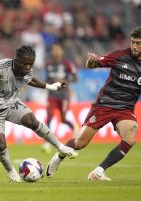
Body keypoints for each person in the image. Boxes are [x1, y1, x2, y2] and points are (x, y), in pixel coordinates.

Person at [0, 45, 78, 182]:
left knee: (32, 121)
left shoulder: (27, 71)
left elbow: (32, 80)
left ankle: (61, 147)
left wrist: (52, 86)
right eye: (24, 63)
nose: (27, 67)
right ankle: (10, 171)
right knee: (0, 144)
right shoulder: (1, 66)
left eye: (30, 64)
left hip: (11, 104)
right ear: (16, 60)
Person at [46, 26, 141, 181]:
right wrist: (92, 61)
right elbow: (94, 65)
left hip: (125, 109)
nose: (134, 46)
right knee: (80, 142)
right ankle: (60, 155)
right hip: (105, 104)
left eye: (138, 43)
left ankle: (98, 172)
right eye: (133, 42)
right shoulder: (120, 56)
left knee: (130, 138)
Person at [42, 43, 78, 153]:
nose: (56, 54)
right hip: (52, 94)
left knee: (63, 119)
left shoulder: (67, 64)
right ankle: (47, 142)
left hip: (63, 95)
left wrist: (64, 82)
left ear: (61, 53)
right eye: (54, 51)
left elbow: (75, 78)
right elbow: (47, 78)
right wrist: (48, 84)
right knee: (49, 116)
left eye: (58, 51)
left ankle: (74, 128)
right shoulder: (48, 64)